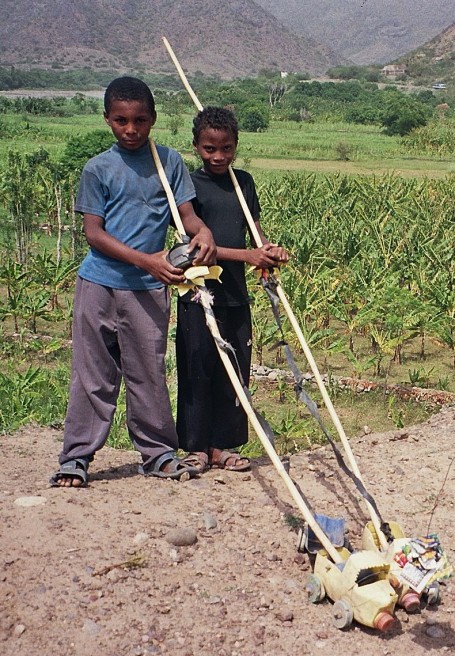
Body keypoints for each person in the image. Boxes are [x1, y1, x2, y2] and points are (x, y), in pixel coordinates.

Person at [51, 76, 217, 487]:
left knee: (148, 372)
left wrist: (203, 232)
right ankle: (77, 457)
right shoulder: (98, 169)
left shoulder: (169, 162)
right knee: (93, 374)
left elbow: (187, 215)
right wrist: (147, 260)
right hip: (100, 284)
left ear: (153, 119)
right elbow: (95, 234)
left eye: (140, 120)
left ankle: (158, 453)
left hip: (147, 290)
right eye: (121, 120)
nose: (131, 130)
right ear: (107, 119)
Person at [176, 106, 288, 472]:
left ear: (236, 146)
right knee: (198, 369)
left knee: (235, 369)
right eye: (210, 149)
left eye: (226, 149)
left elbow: (254, 231)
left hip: (235, 293)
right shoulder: (188, 187)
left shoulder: (244, 182)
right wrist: (250, 255)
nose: (219, 156)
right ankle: (195, 447)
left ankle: (223, 446)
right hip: (200, 293)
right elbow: (200, 247)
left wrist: (268, 252)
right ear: (196, 147)